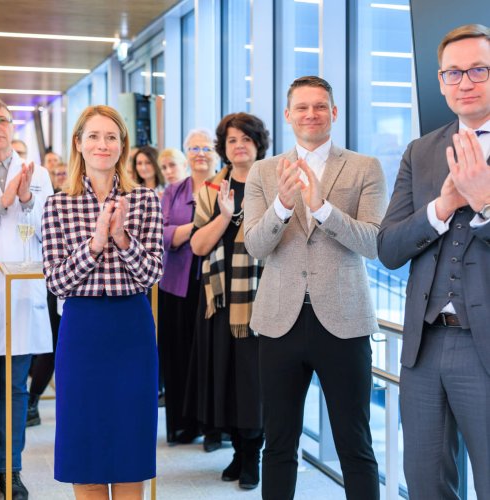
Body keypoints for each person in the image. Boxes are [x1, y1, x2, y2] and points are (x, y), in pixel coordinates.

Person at [244, 76, 387, 500]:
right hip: (279, 321)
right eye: (302, 107)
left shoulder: (365, 167)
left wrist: (323, 209)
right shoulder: (263, 171)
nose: (311, 114)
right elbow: (255, 246)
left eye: (320, 106)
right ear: (288, 115)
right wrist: (282, 206)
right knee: (279, 444)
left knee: (355, 445)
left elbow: (373, 243)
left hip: (344, 319)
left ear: (334, 113)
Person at [377, 24, 490, 499]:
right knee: (425, 484)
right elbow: (388, 248)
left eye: (478, 70)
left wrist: (484, 203)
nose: (465, 82)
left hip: (484, 348)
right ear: (441, 82)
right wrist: (441, 209)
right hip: (423, 347)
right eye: (453, 73)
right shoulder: (421, 151)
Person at [42, 105, 163, 499]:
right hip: (82, 329)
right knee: (85, 449)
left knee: (130, 448)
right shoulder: (57, 204)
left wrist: (123, 239)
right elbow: (57, 281)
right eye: (93, 136)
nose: (102, 144)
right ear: (78, 143)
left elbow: (151, 275)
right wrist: (95, 244)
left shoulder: (145, 200)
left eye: (111, 137)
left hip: (131, 327)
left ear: (122, 145)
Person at [186, 113, 269, 489]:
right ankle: (238, 450)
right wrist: (224, 217)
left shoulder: (272, 185)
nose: (239, 146)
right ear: (224, 147)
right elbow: (198, 245)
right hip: (219, 301)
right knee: (226, 379)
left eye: (246, 139)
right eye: (232, 140)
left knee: (253, 382)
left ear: (258, 145)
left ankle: (253, 455)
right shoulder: (211, 189)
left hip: (261, 297)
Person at [0, 97, 53, 499]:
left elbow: (49, 229)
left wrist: (27, 199)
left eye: (2, 120)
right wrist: (2, 202)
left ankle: (9, 470)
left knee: (14, 390)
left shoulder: (39, 173)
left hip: (19, 298)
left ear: (12, 126)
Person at [158, 136, 216, 445]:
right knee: (178, 354)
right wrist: (198, 228)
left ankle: (213, 428)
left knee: (211, 357)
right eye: (194, 148)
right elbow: (161, 233)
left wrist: (187, 232)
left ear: (216, 153)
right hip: (177, 283)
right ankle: (183, 425)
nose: (200, 153)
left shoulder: (224, 186)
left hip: (214, 283)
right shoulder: (173, 191)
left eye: (207, 148)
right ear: (187, 154)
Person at [27, 162, 67, 427]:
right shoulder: (56, 201)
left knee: (56, 348)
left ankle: (34, 401)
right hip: (58, 282)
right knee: (50, 346)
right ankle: (32, 401)